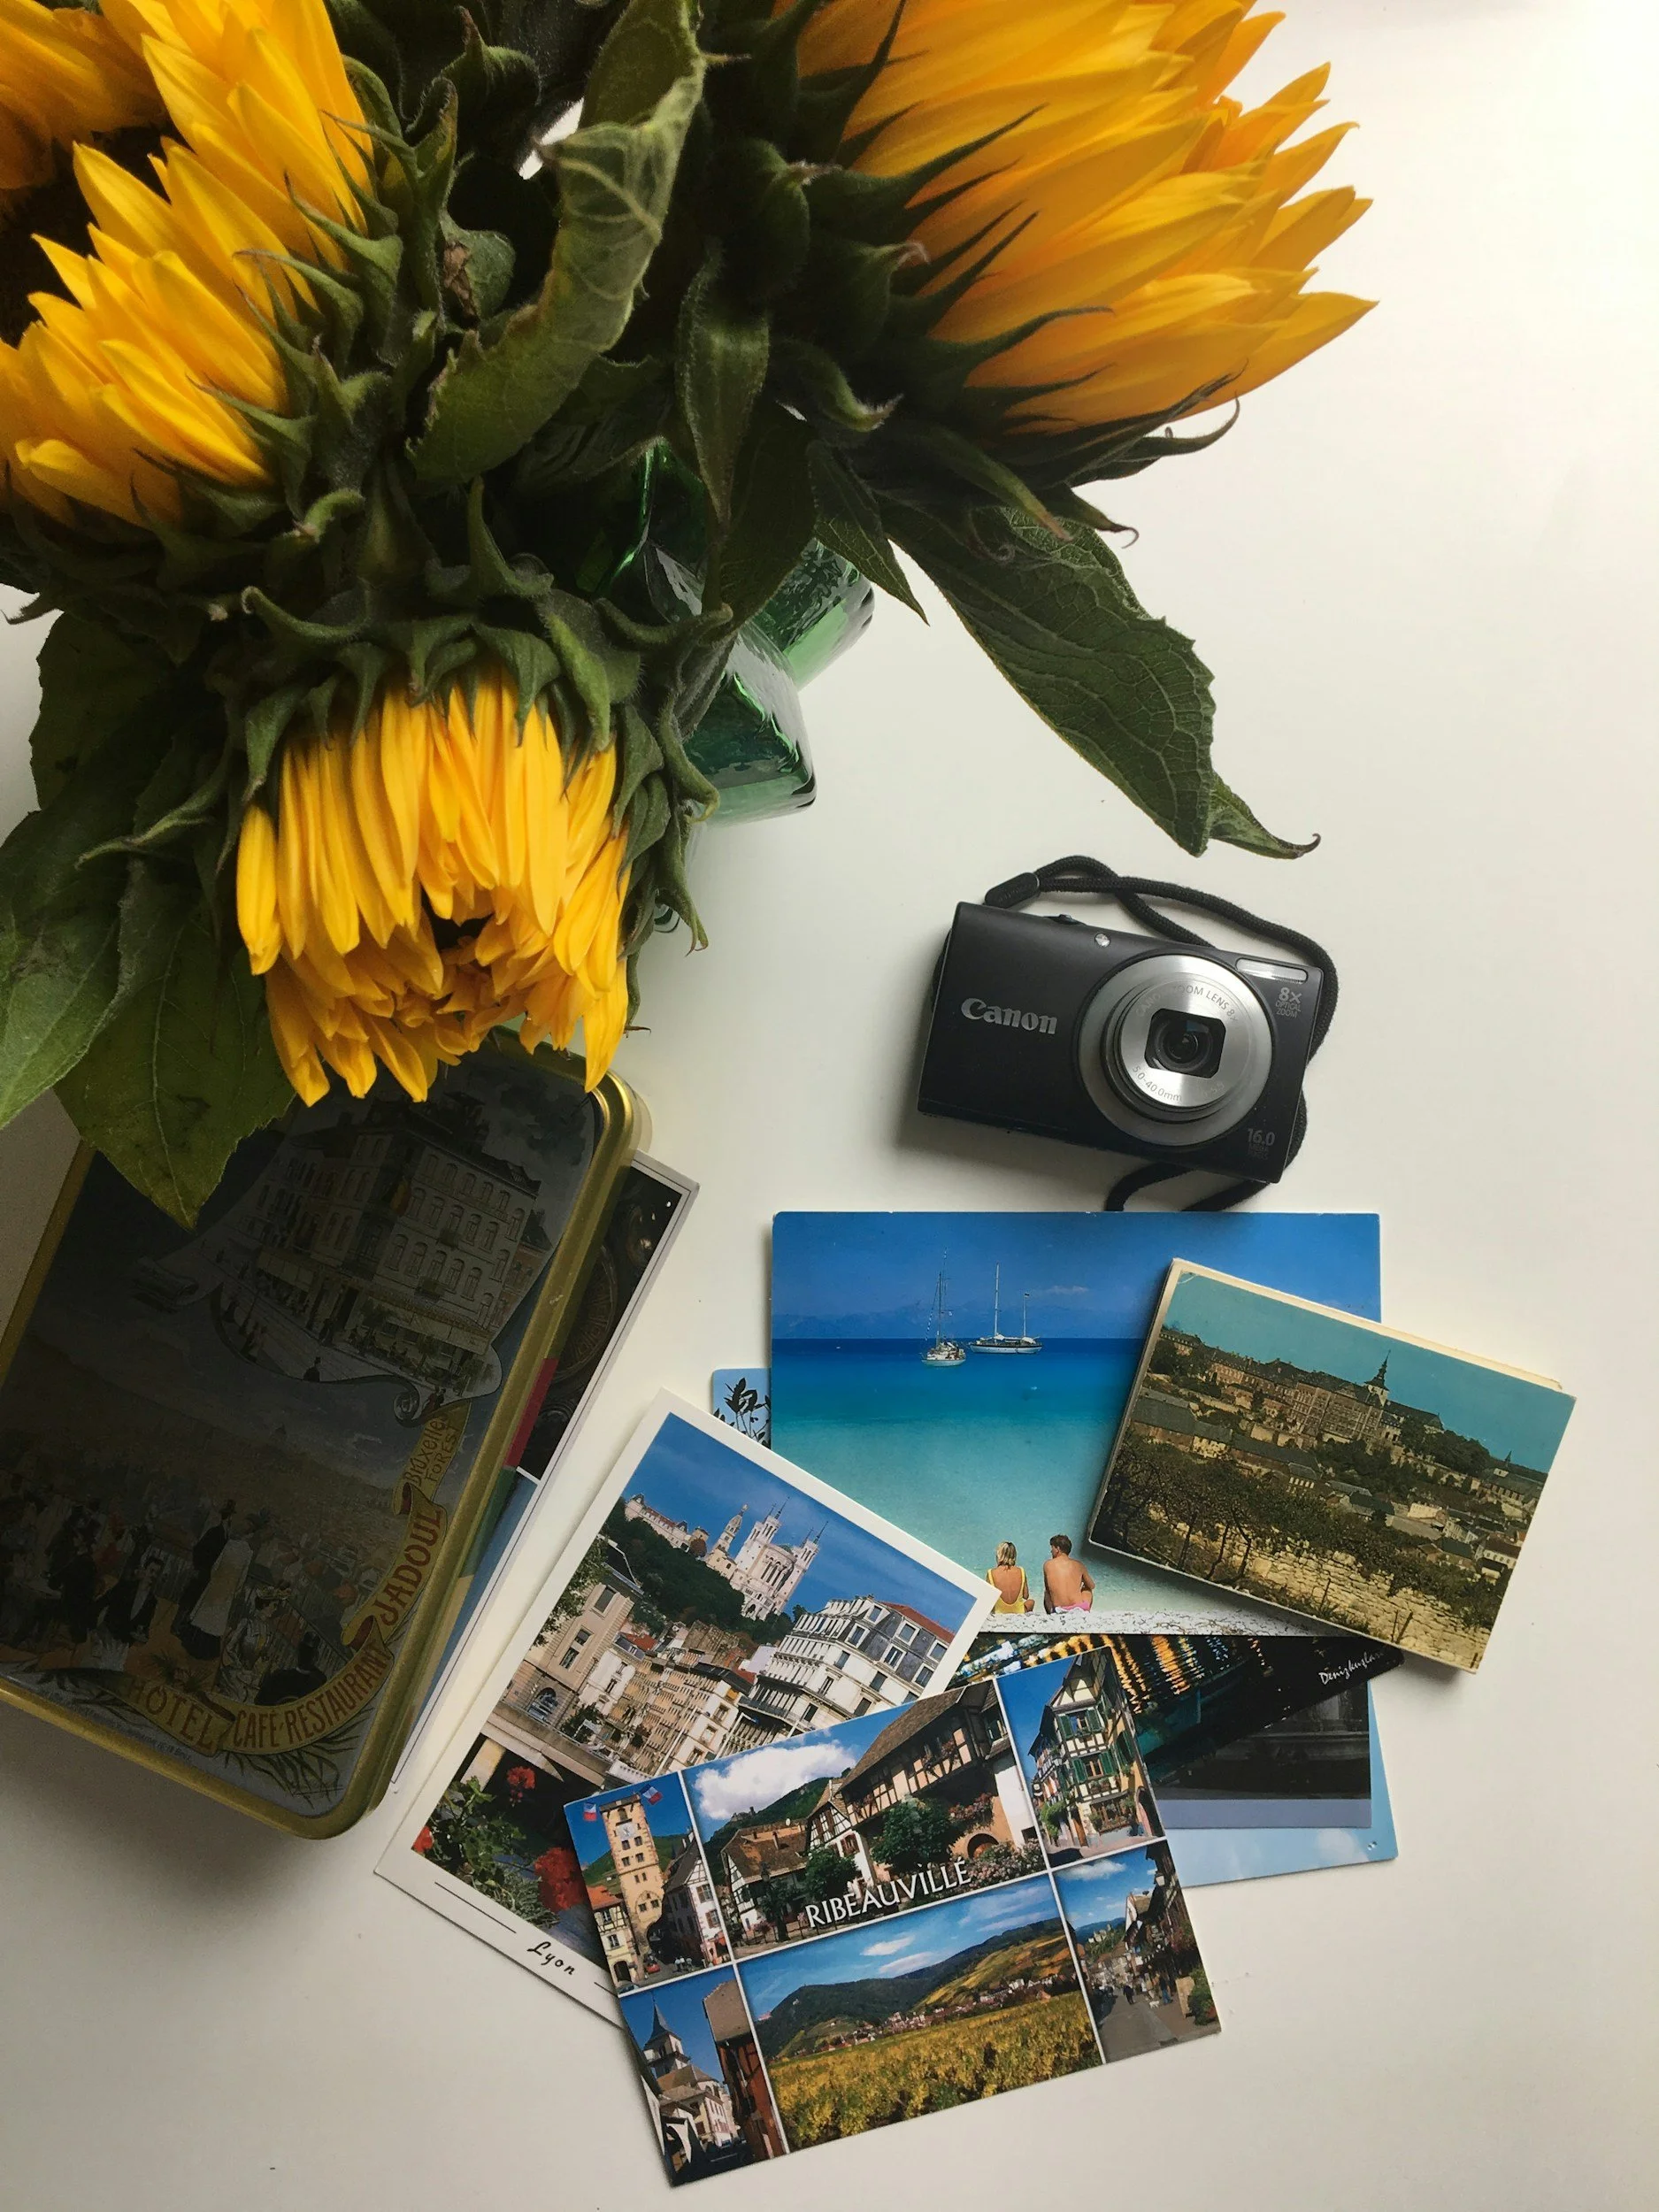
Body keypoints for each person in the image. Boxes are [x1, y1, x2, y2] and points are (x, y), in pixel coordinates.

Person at [1042, 1532, 1094, 1615]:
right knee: (1087, 1589)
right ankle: (1085, 1612)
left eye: (1052, 1548)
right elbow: (1092, 1586)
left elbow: (1048, 1588)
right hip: (1079, 1608)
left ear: (1058, 1549)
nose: (1051, 1551)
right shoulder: (1079, 1565)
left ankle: (1052, 1614)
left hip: (1059, 1609)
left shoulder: (1048, 1564)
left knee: (1047, 1593)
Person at [986, 1540, 1034, 1614]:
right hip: (1019, 1612)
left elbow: (988, 1598)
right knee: (1031, 1602)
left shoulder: (991, 1573)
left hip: (999, 1612)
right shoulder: (1021, 1570)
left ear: (999, 1555)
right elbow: (1026, 1596)